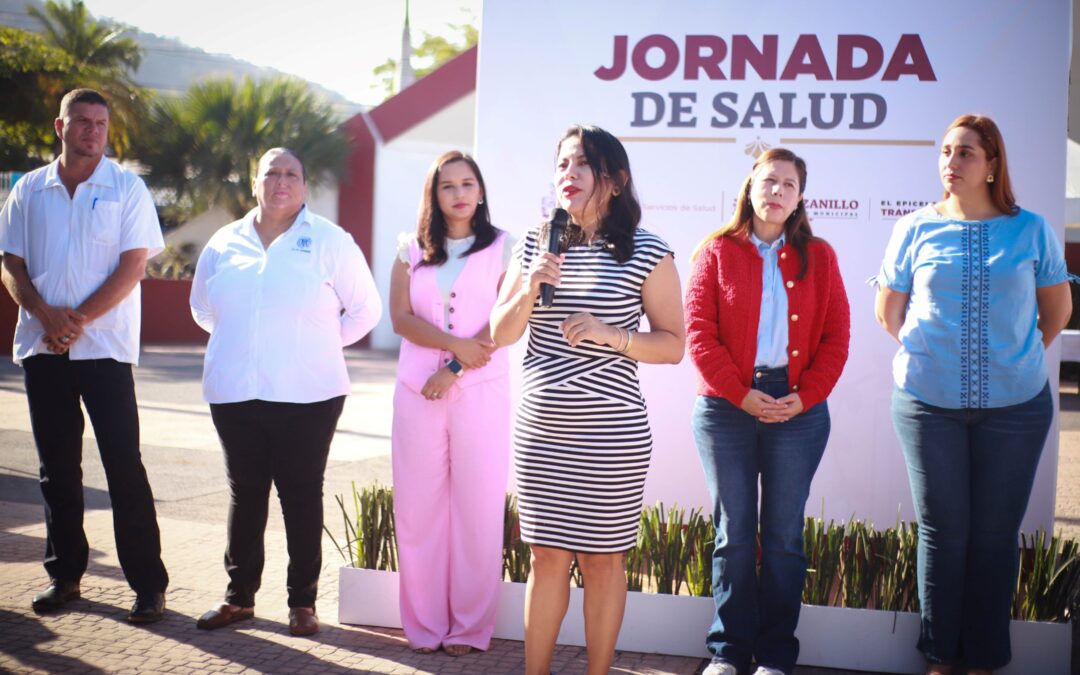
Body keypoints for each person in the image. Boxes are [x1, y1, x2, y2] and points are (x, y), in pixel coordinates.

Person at [875, 115, 1071, 675]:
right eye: (945, 152)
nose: (951, 163)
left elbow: (1056, 311)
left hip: (1016, 409)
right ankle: (940, 658)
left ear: (992, 165)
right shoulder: (913, 228)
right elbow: (888, 312)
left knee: (994, 536)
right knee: (942, 532)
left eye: (965, 153)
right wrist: (937, 357)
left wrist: (1011, 356)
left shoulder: (1031, 229)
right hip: (926, 406)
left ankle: (984, 660)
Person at [491, 124, 685, 675]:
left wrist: (612, 334)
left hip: (610, 435)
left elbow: (674, 345)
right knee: (546, 557)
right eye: (562, 164)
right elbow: (501, 334)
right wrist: (530, 288)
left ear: (616, 181)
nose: (568, 175)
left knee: (603, 562)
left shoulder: (648, 250)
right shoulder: (534, 242)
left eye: (583, 164)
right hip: (542, 430)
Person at [189, 147, 381, 637]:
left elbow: (365, 310)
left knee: (300, 495)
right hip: (235, 390)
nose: (281, 181)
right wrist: (247, 345)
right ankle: (239, 599)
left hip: (310, 394)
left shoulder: (330, 241)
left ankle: (302, 603)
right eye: (271, 173)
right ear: (254, 182)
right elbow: (203, 310)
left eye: (291, 173)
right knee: (245, 493)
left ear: (304, 185)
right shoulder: (224, 242)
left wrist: (311, 343)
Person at [0, 88, 170, 623]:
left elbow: (133, 266)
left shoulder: (127, 189)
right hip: (43, 349)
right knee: (57, 471)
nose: (92, 130)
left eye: (100, 122)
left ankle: (148, 586)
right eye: (82, 121)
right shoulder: (29, 190)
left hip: (105, 352)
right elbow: (11, 264)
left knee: (124, 467)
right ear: (60, 126)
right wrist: (46, 317)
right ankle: (65, 577)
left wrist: (76, 321)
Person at [685, 147, 850, 675]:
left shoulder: (820, 256)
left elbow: (836, 337)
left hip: (798, 408)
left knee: (782, 537)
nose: (776, 191)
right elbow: (698, 335)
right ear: (750, 187)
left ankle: (776, 656)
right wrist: (740, 394)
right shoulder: (714, 252)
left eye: (788, 185)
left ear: (801, 197)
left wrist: (804, 397)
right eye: (768, 181)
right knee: (733, 534)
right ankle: (728, 653)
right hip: (726, 408)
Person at [389, 151, 513, 656]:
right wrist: (447, 348)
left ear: (481, 191)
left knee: (478, 510)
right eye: (447, 186)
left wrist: (455, 364)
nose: (459, 193)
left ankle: (468, 628)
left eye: (468, 183)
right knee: (418, 510)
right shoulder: (410, 248)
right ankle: (423, 625)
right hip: (416, 391)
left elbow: (504, 322)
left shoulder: (506, 248)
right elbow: (400, 318)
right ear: (434, 195)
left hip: (481, 391)